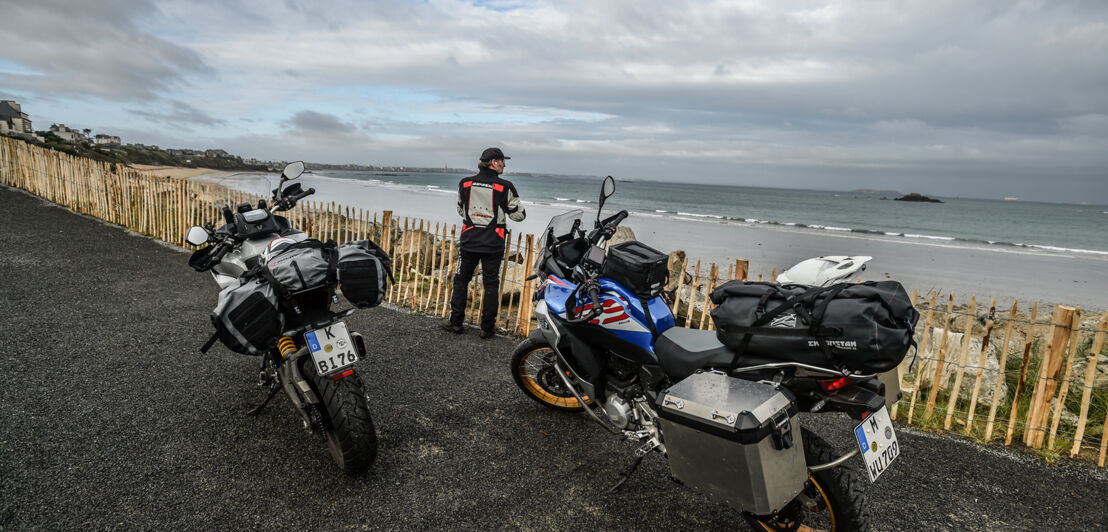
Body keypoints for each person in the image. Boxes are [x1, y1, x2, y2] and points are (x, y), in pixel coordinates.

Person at [441, 147, 526, 338]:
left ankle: (456, 322)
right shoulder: (505, 187)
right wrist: (501, 210)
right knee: (491, 284)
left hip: (470, 240)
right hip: (493, 243)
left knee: (461, 280)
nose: (505, 164)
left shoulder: (465, 183)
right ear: (494, 163)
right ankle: (487, 328)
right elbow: (520, 215)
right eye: (503, 161)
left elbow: (461, 210)